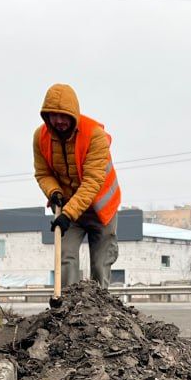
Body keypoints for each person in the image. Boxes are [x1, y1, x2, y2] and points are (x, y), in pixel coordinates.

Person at [32, 83, 122, 288]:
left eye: (64, 115)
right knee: (66, 259)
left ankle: (101, 311)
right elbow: (43, 173)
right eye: (54, 115)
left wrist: (67, 214)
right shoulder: (40, 137)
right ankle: (67, 309)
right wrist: (53, 192)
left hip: (101, 210)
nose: (59, 121)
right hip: (70, 209)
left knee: (100, 265)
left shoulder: (94, 135)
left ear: (73, 114)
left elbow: (92, 182)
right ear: (47, 116)